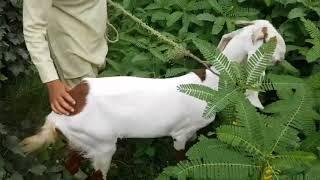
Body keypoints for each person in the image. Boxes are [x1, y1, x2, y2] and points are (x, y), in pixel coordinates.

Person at [23, 0, 108, 116]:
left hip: (95, 42)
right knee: (80, 115)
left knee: (95, 105)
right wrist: (52, 82)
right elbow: (33, 29)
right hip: (71, 50)